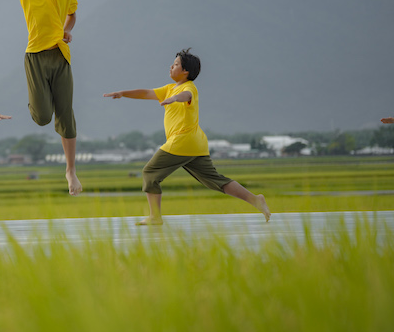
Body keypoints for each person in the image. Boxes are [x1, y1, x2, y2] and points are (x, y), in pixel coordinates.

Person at [103, 48, 271, 226]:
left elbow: (186, 96)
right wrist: (123, 93)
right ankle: (256, 200)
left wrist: (175, 99)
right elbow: (145, 93)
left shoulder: (188, 87)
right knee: (215, 180)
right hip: (195, 144)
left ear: (185, 71)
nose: (171, 67)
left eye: (175, 65)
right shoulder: (169, 89)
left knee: (150, 173)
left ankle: (155, 217)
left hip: (182, 142)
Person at [15, 0, 82, 197]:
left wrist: (67, 31)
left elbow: (72, 15)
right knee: (42, 117)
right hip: (35, 56)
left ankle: (70, 169)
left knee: (65, 114)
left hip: (60, 55)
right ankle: (38, 100)